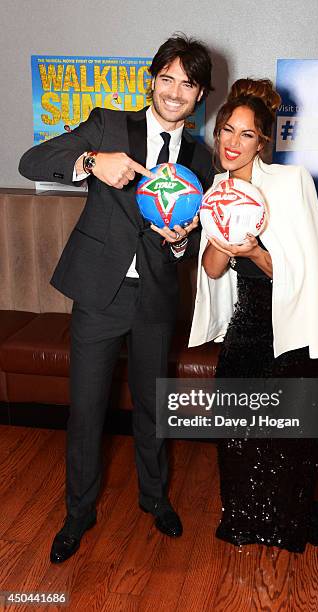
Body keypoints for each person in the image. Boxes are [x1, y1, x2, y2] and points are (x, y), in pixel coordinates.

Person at [19, 34, 214, 563]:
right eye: (167, 78)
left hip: (155, 295)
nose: (175, 91)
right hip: (99, 292)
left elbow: (197, 237)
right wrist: (90, 160)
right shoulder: (108, 124)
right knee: (86, 409)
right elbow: (31, 161)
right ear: (152, 80)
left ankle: (155, 499)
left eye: (189, 83)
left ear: (200, 96)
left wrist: (180, 242)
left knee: (153, 407)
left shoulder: (201, 156)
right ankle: (77, 514)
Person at [189, 78, 318, 552]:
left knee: (288, 434)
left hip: (289, 322)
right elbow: (211, 271)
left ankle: (284, 520)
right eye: (227, 130)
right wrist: (219, 238)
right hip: (248, 321)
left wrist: (252, 252)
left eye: (245, 134)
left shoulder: (293, 184)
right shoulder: (215, 189)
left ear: (263, 140)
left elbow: (303, 270)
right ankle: (244, 519)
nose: (232, 142)